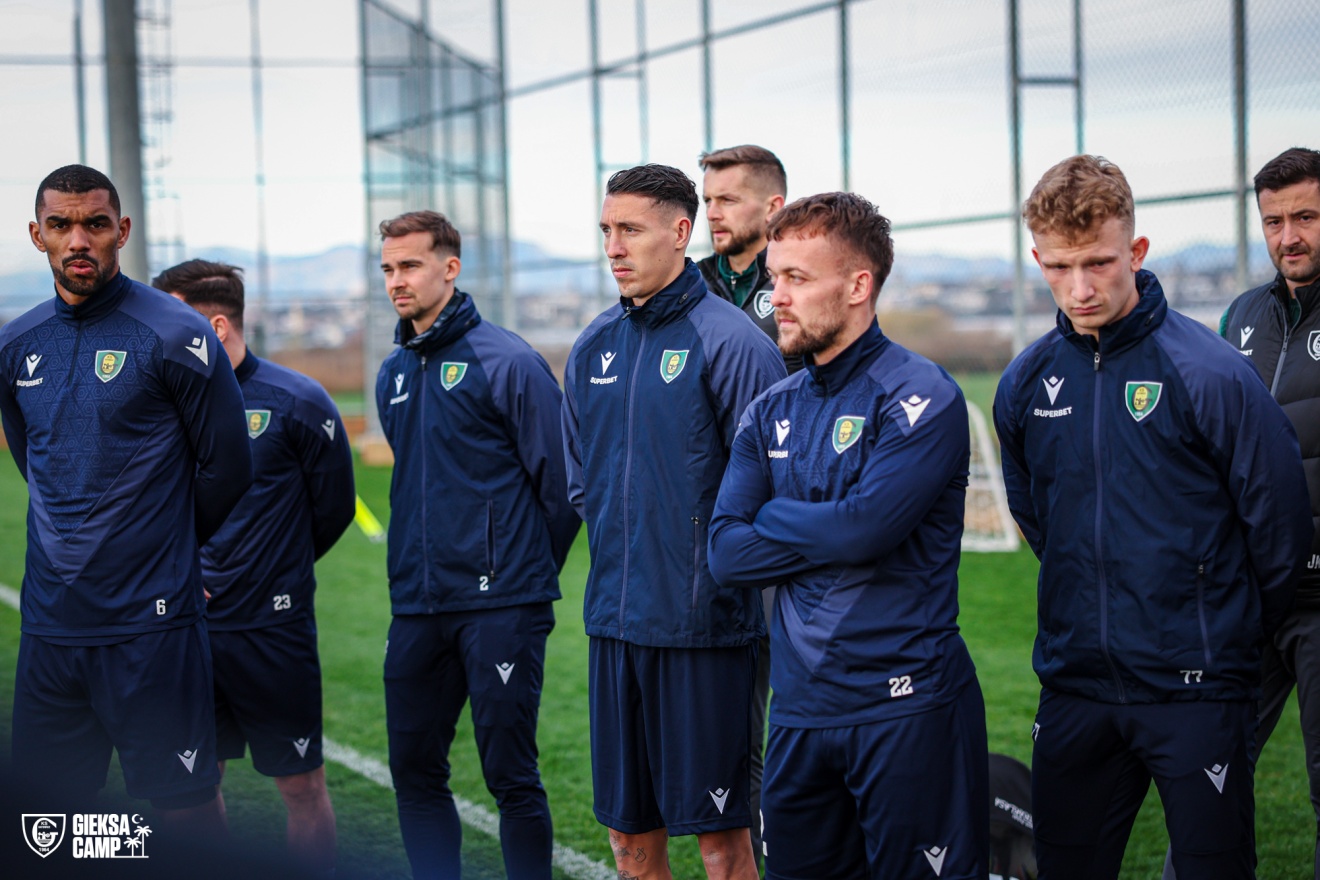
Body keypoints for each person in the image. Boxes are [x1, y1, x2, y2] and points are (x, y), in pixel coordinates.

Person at [993, 154, 1312, 880]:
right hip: (1076, 685)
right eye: (1059, 267)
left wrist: (1212, 621)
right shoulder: (1026, 382)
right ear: (1038, 260)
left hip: (1196, 689)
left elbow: (1279, 525)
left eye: (1099, 263)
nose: (1080, 288)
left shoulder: (1210, 372)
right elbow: (1037, 517)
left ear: (1135, 251)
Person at [708, 192, 988, 879]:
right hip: (799, 714)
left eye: (796, 279)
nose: (776, 297)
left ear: (858, 286)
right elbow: (726, 553)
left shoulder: (920, 396)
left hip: (905, 707)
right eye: (774, 277)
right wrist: (835, 520)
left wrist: (777, 515)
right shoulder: (769, 408)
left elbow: (866, 529)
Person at [0, 165, 252, 829]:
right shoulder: (16, 344)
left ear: (123, 231)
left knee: (185, 813)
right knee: (46, 825)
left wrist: (166, 549)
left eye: (95, 224)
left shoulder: (177, 334)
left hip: (153, 627)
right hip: (51, 627)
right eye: (60, 225)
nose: (78, 239)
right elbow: (36, 461)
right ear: (37, 235)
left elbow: (228, 468)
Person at [562, 164, 785, 880]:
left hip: (705, 632)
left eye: (630, 229)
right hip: (614, 626)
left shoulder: (733, 343)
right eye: (607, 230)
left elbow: (774, 493)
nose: (614, 247)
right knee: (629, 840)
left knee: (721, 844)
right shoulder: (592, 346)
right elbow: (583, 485)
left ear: (681, 231)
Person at [375, 210, 579, 880]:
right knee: (413, 771)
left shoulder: (507, 361)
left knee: (510, 776)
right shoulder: (393, 372)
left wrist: (517, 577)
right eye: (388, 268)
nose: (396, 281)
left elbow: (561, 488)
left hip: (501, 606)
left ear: (450, 268)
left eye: (409, 265)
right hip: (417, 604)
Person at [153, 259, 355, 876]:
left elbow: (333, 509)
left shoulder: (298, 401)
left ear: (216, 327)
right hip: (187, 628)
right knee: (190, 787)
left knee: (301, 786)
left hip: (274, 632)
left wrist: (273, 571)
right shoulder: (162, 403)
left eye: (170, 322)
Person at [1180, 145, 1320, 880]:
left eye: (1306, 217)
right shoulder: (1243, 314)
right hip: (1250, 597)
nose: (1288, 237)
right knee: (1203, 779)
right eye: (1273, 221)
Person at [696, 145, 798, 374]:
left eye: (727, 200)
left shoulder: (803, 282)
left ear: (772, 208)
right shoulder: (691, 285)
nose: (712, 214)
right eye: (708, 200)